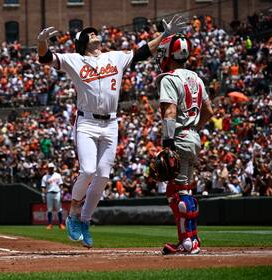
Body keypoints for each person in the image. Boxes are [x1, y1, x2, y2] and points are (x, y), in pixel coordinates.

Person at [37, 16, 186, 248]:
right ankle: (74, 212)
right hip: (86, 122)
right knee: (87, 169)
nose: (95, 34)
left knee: (103, 176)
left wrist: (165, 36)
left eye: (95, 32)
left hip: (111, 123)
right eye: (90, 33)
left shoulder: (114, 57)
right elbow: (45, 58)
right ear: (83, 42)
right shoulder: (74, 60)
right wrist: (42, 42)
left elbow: (142, 52)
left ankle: (85, 221)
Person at [154, 34, 214, 254]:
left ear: (170, 54)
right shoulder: (196, 78)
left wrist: (168, 142)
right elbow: (209, 110)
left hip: (178, 137)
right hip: (193, 137)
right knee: (185, 190)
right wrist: (194, 128)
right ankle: (193, 239)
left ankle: (187, 242)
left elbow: (169, 112)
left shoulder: (169, 78)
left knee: (177, 193)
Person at [41, 163, 65, 230]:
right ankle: (49, 224)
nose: (51, 169)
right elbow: (43, 187)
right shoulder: (45, 177)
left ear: (53, 168)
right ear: (48, 168)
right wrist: (43, 194)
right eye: (50, 168)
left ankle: (61, 224)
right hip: (49, 193)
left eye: (52, 168)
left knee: (59, 209)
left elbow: (61, 185)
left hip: (57, 193)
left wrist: (62, 192)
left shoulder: (58, 175)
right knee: (49, 209)